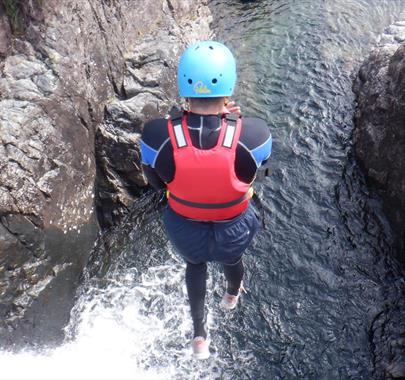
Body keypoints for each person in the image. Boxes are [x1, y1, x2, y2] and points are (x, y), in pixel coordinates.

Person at [140, 40, 272, 360]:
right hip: (234, 228)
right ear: (229, 86)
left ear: (184, 85)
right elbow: (258, 176)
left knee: (195, 265)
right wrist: (231, 124)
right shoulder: (255, 134)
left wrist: (178, 120)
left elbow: (156, 183)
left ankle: (199, 335)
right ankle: (230, 296)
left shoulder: (155, 135)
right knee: (232, 261)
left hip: (186, 227)